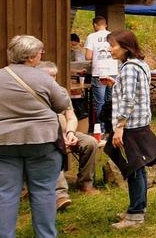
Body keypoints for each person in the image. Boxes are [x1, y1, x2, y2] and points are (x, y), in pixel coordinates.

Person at [0, 35, 71, 238]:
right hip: (42, 142)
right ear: (32, 56)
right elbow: (62, 104)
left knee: (4, 194)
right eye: (40, 53)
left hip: (1, 144)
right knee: (44, 191)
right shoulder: (43, 78)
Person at [103, 30, 156, 229]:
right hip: (139, 123)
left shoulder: (128, 68)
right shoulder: (140, 65)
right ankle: (137, 207)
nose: (110, 49)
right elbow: (134, 92)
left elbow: (129, 99)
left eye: (113, 45)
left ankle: (135, 215)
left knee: (133, 169)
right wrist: (115, 83)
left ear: (125, 47)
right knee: (138, 168)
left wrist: (119, 127)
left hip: (130, 126)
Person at [36, 61, 100, 213]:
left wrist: (70, 133)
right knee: (53, 148)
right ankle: (60, 195)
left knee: (90, 142)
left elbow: (71, 117)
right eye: (48, 76)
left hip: (66, 133)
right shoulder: (35, 94)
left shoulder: (61, 92)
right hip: (46, 138)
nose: (52, 79)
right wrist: (58, 137)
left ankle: (85, 183)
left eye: (54, 75)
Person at [84, 16, 114, 132]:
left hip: (99, 72)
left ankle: (100, 129)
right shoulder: (112, 35)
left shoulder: (91, 36)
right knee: (110, 100)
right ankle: (110, 127)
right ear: (105, 24)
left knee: (99, 102)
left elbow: (88, 56)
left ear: (95, 25)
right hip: (112, 71)